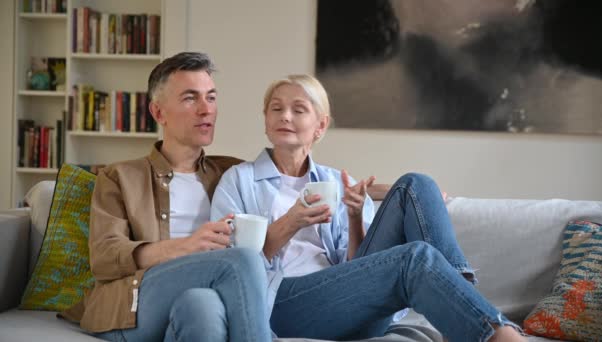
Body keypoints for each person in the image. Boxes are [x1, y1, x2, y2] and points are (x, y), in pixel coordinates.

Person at [210, 74, 525, 341]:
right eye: (275, 108)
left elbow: (355, 267)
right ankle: (490, 327)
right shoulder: (238, 180)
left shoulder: (333, 181)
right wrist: (291, 221)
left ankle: (458, 291)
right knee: (415, 257)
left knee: (416, 184)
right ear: (265, 120)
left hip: (344, 301)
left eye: (298, 109)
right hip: (279, 303)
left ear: (320, 126)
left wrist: (354, 216)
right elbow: (231, 266)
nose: (285, 116)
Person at [60, 52, 272, 342]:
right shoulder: (118, 177)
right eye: (190, 98)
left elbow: (283, 176)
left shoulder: (231, 171)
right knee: (242, 261)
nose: (205, 109)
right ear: (158, 113)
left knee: (202, 306)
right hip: (136, 301)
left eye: (211, 97)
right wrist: (184, 247)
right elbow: (105, 257)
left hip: (204, 293)